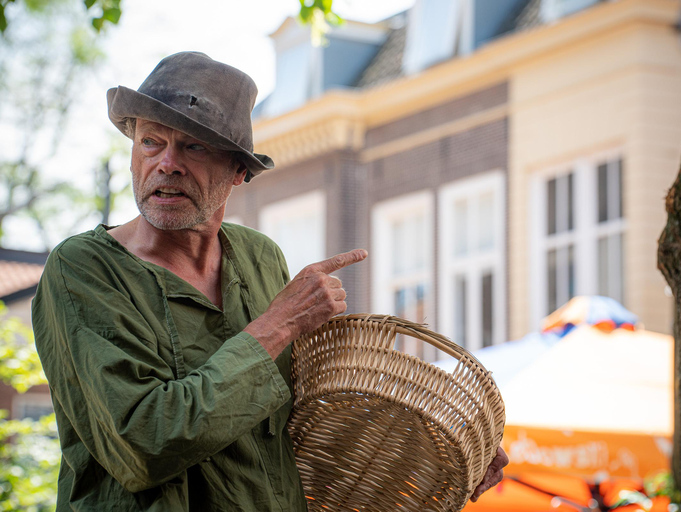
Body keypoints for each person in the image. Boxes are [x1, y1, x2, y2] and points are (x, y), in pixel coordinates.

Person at [32, 51, 507, 511]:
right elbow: (142, 445)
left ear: (238, 171)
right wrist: (278, 324)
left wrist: (451, 450)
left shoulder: (259, 258)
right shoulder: (82, 270)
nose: (167, 163)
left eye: (193, 146)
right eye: (151, 141)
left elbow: (304, 416)